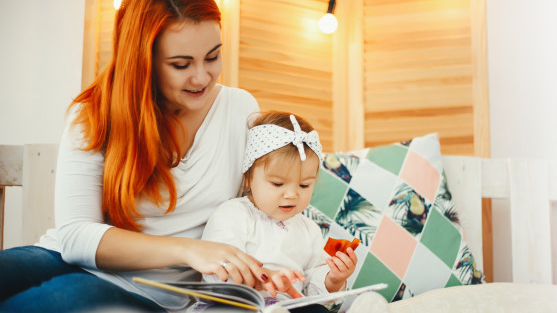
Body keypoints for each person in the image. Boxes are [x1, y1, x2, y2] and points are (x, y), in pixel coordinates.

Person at [0, 1, 295, 312]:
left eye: (213, 57)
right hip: (65, 259)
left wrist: (271, 271)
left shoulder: (240, 110)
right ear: (144, 60)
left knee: (73, 295)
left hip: (155, 292)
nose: (201, 77)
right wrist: (190, 250)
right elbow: (76, 237)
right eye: (181, 65)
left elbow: (262, 208)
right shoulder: (96, 113)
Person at [200, 111, 358, 312]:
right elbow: (217, 270)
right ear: (248, 178)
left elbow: (311, 292)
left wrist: (333, 279)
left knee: (316, 311)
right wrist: (261, 276)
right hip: (238, 305)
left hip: (288, 306)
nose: (292, 194)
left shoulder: (309, 230)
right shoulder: (233, 215)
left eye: (304, 185)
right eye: (277, 183)